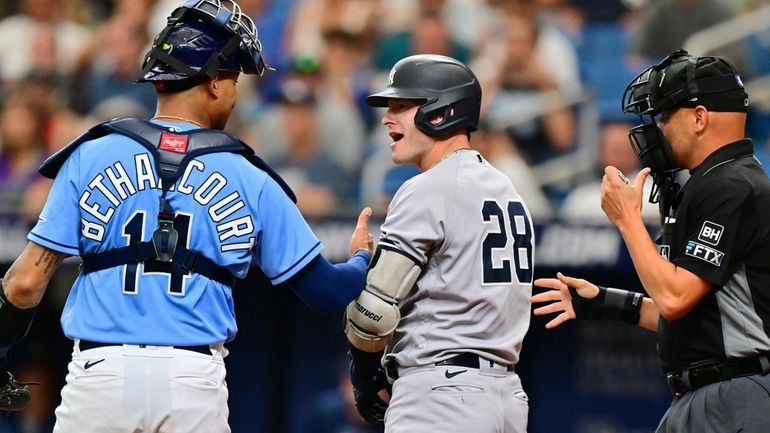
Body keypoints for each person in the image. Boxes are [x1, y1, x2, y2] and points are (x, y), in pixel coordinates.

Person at [0, 1, 375, 431]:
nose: (234, 94)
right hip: (190, 382)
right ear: (215, 83)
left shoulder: (93, 152)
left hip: (99, 376)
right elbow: (327, 293)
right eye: (233, 79)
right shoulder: (248, 174)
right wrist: (361, 260)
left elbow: (25, 283)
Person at [531, 49, 770, 433]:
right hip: (709, 393)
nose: (657, 127)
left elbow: (674, 299)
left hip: (738, 395)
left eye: (664, 115)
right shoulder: (709, 183)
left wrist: (628, 219)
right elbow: (693, 321)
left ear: (698, 117)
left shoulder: (732, 184)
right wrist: (603, 302)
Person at [343, 54, 534, 432]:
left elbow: (373, 314)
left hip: (441, 398)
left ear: (440, 111)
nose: (386, 118)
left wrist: (365, 378)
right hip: (506, 397)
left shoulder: (427, 188)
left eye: (401, 106)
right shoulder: (508, 190)